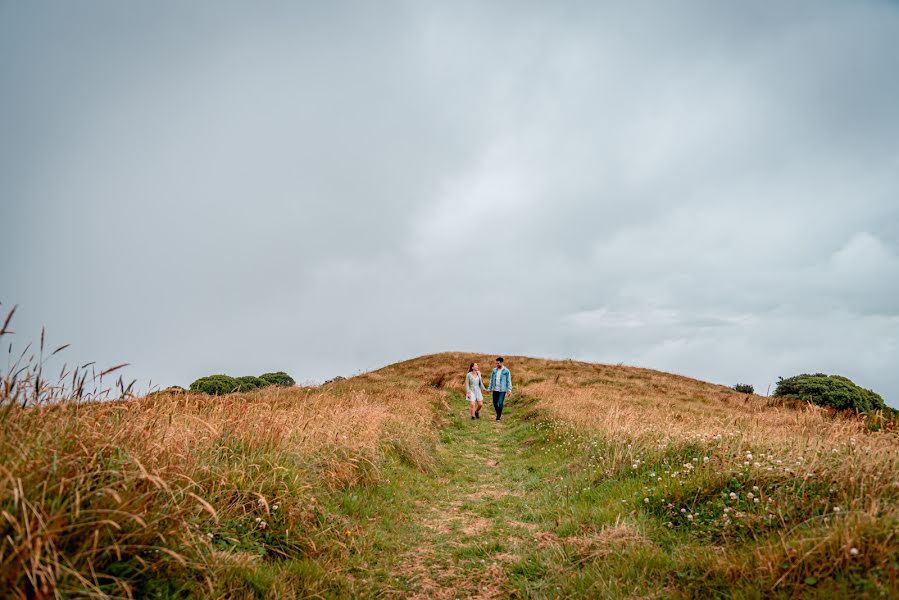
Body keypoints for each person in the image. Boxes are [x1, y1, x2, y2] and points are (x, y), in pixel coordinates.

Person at [488, 357, 512, 421]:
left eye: (498, 363)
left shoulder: (506, 371)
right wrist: (489, 388)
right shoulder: (494, 370)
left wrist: (509, 390)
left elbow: (508, 381)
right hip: (495, 389)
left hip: (502, 390)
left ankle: (498, 418)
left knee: (500, 403)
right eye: (496, 363)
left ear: (502, 363)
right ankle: (499, 414)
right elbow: (491, 379)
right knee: (495, 403)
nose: (497, 364)